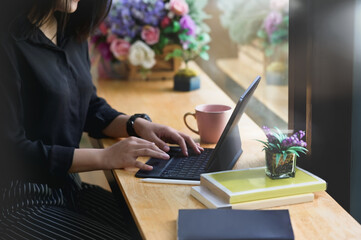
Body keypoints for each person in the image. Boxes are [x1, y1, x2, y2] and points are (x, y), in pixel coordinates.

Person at [0, 0, 203, 239]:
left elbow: (86, 106)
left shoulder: (69, 26)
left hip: (68, 188)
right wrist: (105, 157)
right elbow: (11, 152)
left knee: (162, 230)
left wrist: (136, 125)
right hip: (17, 199)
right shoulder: (7, 42)